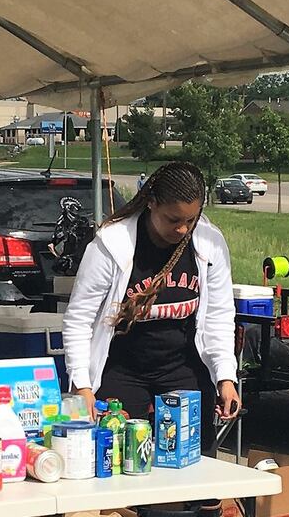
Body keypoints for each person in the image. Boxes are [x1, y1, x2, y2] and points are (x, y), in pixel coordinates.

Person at [62, 161, 241, 450]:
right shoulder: (112, 244)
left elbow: (219, 316)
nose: (183, 229)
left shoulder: (210, 243)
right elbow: (79, 319)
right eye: (173, 219)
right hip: (121, 368)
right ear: (151, 203)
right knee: (117, 461)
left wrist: (225, 377)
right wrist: (82, 386)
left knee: (195, 465)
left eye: (192, 220)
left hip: (183, 367)